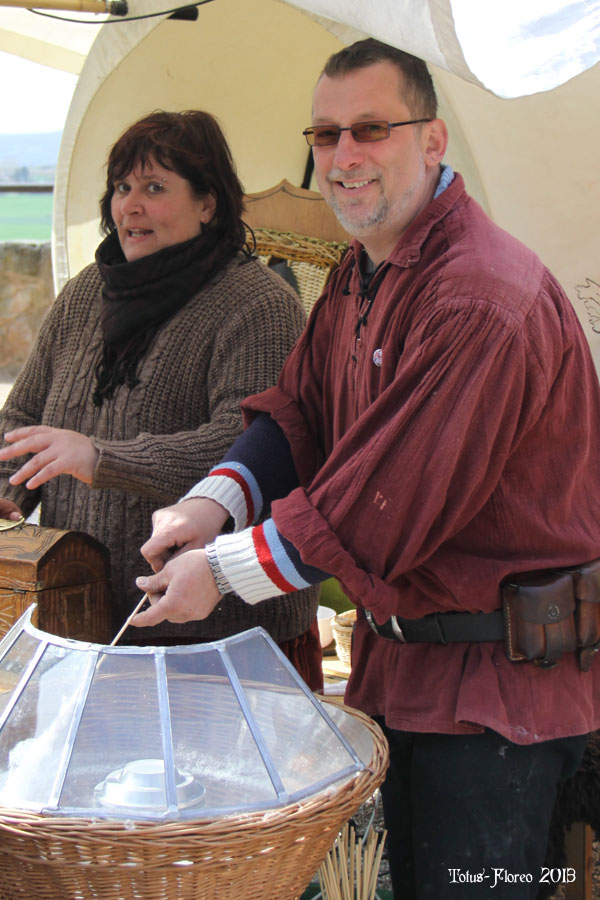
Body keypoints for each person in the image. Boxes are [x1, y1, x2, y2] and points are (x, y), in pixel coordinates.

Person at [131, 42, 600, 899]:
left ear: (433, 140)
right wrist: (211, 503)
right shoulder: (364, 269)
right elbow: (300, 410)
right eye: (325, 134)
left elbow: (381, 509)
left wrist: (221, 571)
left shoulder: (480, 297)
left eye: (371, 129)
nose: (343, 155)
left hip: (499, 703)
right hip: (412, 678)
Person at [0, 109, 322, 689]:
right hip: (83, 622)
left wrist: (101, 458)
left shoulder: (260, 304)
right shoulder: (86, 293)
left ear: (208, 204)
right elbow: (23, 420)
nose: (130, 206)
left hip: (220, 643)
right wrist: (7, 490)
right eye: (122, 187)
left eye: (154, 188)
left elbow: (254, 443)